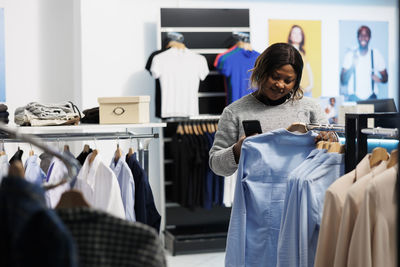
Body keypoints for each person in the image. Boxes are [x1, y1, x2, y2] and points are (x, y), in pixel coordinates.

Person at [209, 42, 330, 177]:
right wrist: (238, 149)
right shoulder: (234, 112)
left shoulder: (311, 108)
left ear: (296, 82)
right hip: (256, 195)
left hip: (301, 195)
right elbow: (216, 165)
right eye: (275, 77)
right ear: (261, 71)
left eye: (288, 80)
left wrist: (325, 142)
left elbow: (331, 150)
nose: (280, 85)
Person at [340, 25, 388, 101]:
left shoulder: (376, 54)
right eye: (361, 35)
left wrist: (380, 79)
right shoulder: (350, 55)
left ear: (370, 37)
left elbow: (386, 78)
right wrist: (353, 66)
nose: (363, 38)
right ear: (357, 37)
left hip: (371, 98)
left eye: (366, 35)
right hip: (353, 98)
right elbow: (343, 80)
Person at [287, 25, 314, 97]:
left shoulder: (303, 53)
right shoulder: (288, 52)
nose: (297, 35)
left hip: (307, 91)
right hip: (295, 92)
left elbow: (308, 70)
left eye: (299, 33)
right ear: (290, 36)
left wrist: (311, 85)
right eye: (294, 33)